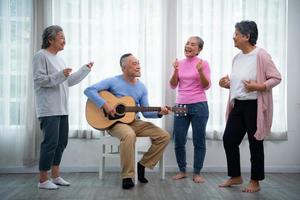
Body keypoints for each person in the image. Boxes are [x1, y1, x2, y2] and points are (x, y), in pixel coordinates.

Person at [84, 53, 170, 189]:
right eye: (134, 64)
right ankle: (127, 176)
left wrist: (159, 112)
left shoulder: (142, 87)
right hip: (115, 123)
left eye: (138, 63)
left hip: (134, 122)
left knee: (164, 136)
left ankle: (143, 165)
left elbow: (146, 112)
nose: (138, 66)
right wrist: (105, 104)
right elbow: (89, 90)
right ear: (124, 67)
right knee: (129, 135)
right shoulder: (113, 81)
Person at [218, 20, 281, 193]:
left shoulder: (261, 55)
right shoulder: (237, 58)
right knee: (229, 139)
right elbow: (240, 83)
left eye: (236, 34)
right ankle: (235, 176)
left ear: (247, 36)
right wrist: (227, 84)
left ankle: (255, 181)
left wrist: (259, 86)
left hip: (254, 105)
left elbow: (276, 77)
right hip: (238, 105)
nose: (234, 37)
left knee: (255, 143)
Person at [33, 25, 94, 190]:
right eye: (61, 37)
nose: (64, 40)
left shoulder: (60, 59)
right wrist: (61, 75)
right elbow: (39, 80)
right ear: (50, 39)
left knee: (61, 143)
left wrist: (84, 70)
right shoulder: (40, 56)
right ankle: (43, 179)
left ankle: (55, 176)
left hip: (62, 109)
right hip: (48, 109)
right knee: (50, 143)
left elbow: (67, 82)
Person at [169, 36, 211, 183]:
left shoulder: (203, 64)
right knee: (179, 139)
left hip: (199, 105)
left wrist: (200, 72)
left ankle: (197, 172)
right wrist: (175, 70)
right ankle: (182, 170)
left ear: (199, 49)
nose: (189, 46)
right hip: (181, 105)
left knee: (199, 140)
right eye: (187, 43)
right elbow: (173, 85)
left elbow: (206, 86)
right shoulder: (179, 64)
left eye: (193, 44)